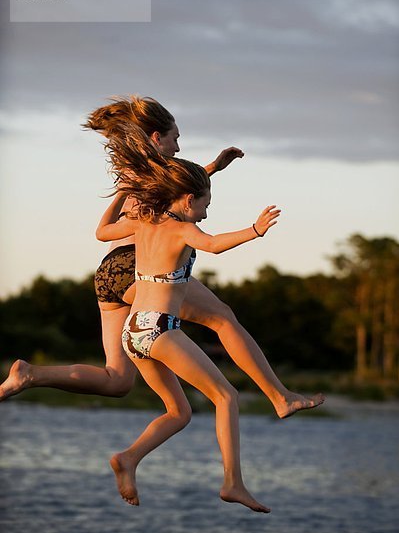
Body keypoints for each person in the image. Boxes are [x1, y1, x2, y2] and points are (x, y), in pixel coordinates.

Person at [0, 96, 323, 420]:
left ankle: (31, 375)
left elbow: (174, 190)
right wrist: (244, 217)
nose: (178, 147)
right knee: (222, 318)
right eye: (175, 138)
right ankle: (279, 397)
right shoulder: (148, 167)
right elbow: (183, 193)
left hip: (110, 274)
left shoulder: (138, 170)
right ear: (156, 138)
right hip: (135, 265)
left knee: (118, 380)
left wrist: (212, 168)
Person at [97, 123, 279, 511]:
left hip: (133, 333)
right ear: (187, 199)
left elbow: (101, 232)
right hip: (160, 330)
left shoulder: (143, 221)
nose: (207, 211)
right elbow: (213, 245)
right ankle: (233, 483)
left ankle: (128, 458)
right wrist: (254, 230)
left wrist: (121, 195)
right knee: (226, 396)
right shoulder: (183, 229)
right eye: (205, 203)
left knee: (179, 412)